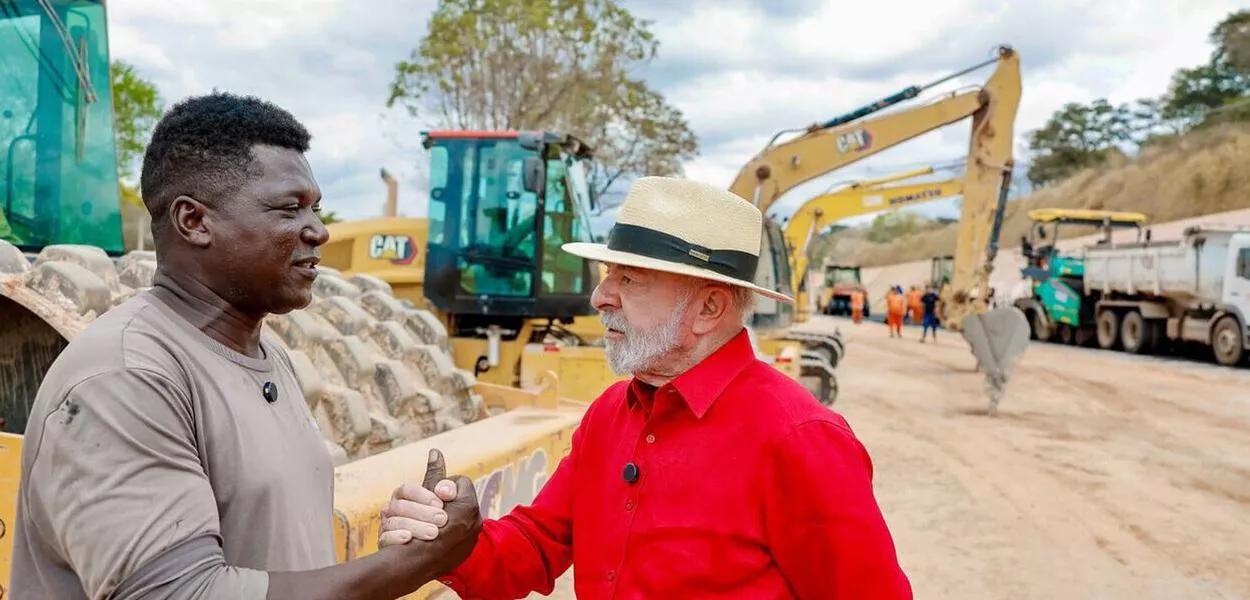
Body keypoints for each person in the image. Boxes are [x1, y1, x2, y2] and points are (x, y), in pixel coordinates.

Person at [11, 93, 480, 599]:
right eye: (290, 208)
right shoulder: (126, 377)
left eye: (316, 209)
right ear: (194, 222)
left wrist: (407, 541)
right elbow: (181, 593)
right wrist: (413, 563)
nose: (319, 231)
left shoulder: (267, 357)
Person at [381, 177, 911, 598]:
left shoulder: (800, 439)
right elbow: (537, 544)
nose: (600, 297)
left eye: (629, 280)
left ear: (709, 307)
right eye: (608, 275)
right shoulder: (611, 413)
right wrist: (450, 541)